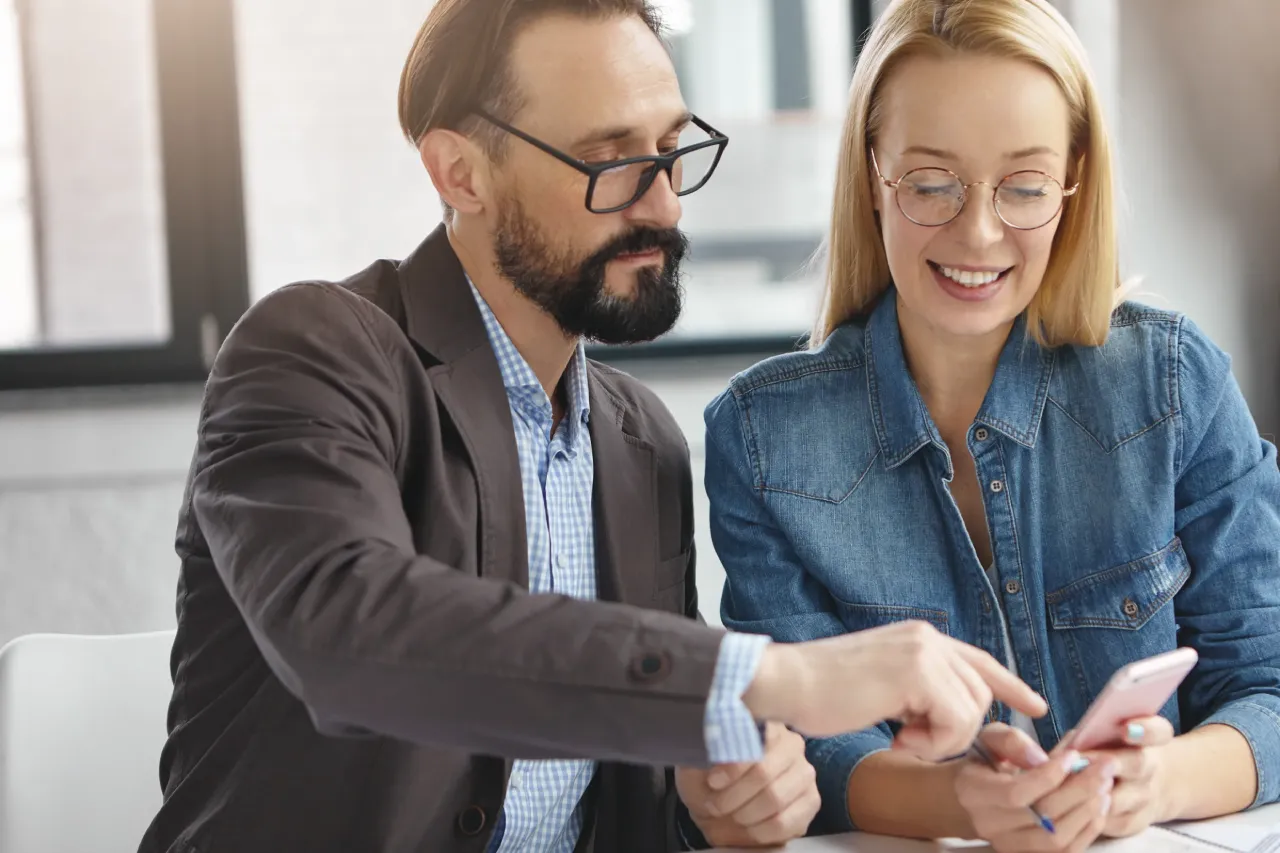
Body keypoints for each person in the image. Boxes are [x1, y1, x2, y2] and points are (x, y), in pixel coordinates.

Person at [137, 1, 1047, 852]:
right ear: (462, 172)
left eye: (670, 150)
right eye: (612, 162)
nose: (663, 203)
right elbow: (350, 633)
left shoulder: (639, 440)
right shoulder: (312, 352)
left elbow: (620, 749)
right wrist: (776, 676)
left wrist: (713, 798)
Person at [704, 0, 1280, 850]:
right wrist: (970, 806)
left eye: (1024, 186)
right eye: (932, 183)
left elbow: (1268, 683)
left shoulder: (1172, 383)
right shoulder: (760, 438)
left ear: (1073, 185)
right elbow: (813, 748)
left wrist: (1149, 782)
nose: (978, 232)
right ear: (873, 175)